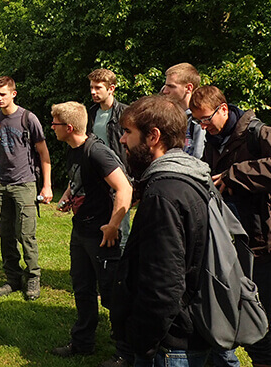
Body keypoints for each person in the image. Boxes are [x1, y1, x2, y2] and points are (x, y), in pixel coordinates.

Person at [189, 85, 271, 367]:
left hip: (263, 244)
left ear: (223, 109)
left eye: (206, 119)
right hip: (231, 244)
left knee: (257, 328)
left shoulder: (259, 134)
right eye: (198, 122)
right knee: (218, 319)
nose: (203, 128)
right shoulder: (215, 137)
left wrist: (236, 174)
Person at [107, 95, 212, 367]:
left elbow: (164, 283)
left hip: (170, 346)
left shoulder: (164, 194)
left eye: (128, 132)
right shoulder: (193, 176)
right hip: (188, 333)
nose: (122, 140)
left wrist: (142, 342)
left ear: (153, 136)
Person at [50, 101, 132, 358]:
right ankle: (82, 344)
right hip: (81, 231)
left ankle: (125, 352)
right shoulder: (73, 149)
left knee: (112, 295)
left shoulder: (97, 152)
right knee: (82, 289)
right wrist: (66, 197)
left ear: (69, 127)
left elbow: (125, 188)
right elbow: (77, 180)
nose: (52, 127)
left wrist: (113, 226)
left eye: (55, 123)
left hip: (102, 236)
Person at [0, 76, 53, 301]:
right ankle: (13, 279)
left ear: (13, 94)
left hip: (24, 183)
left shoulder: (28, 118)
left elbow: (44, 154)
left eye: (3, 94)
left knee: (26, 234)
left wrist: (46, 185)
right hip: (1, 185)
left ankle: (33, 278)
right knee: (5, 234)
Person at [86, 68, 131, 245]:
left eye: (98, 88)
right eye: (91, 87)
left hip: (120, 177)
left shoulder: (126, 114)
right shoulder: (89, 114)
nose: (93, 92)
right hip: (96, 179)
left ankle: (121, 267)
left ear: (111, 89)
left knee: (121, 229)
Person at [160, 63, 205, 159]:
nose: (165, 91)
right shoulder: (169, 118)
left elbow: (198, 157)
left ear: (188, 88)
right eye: (165, 86)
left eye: (171, 86)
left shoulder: (199, 120)